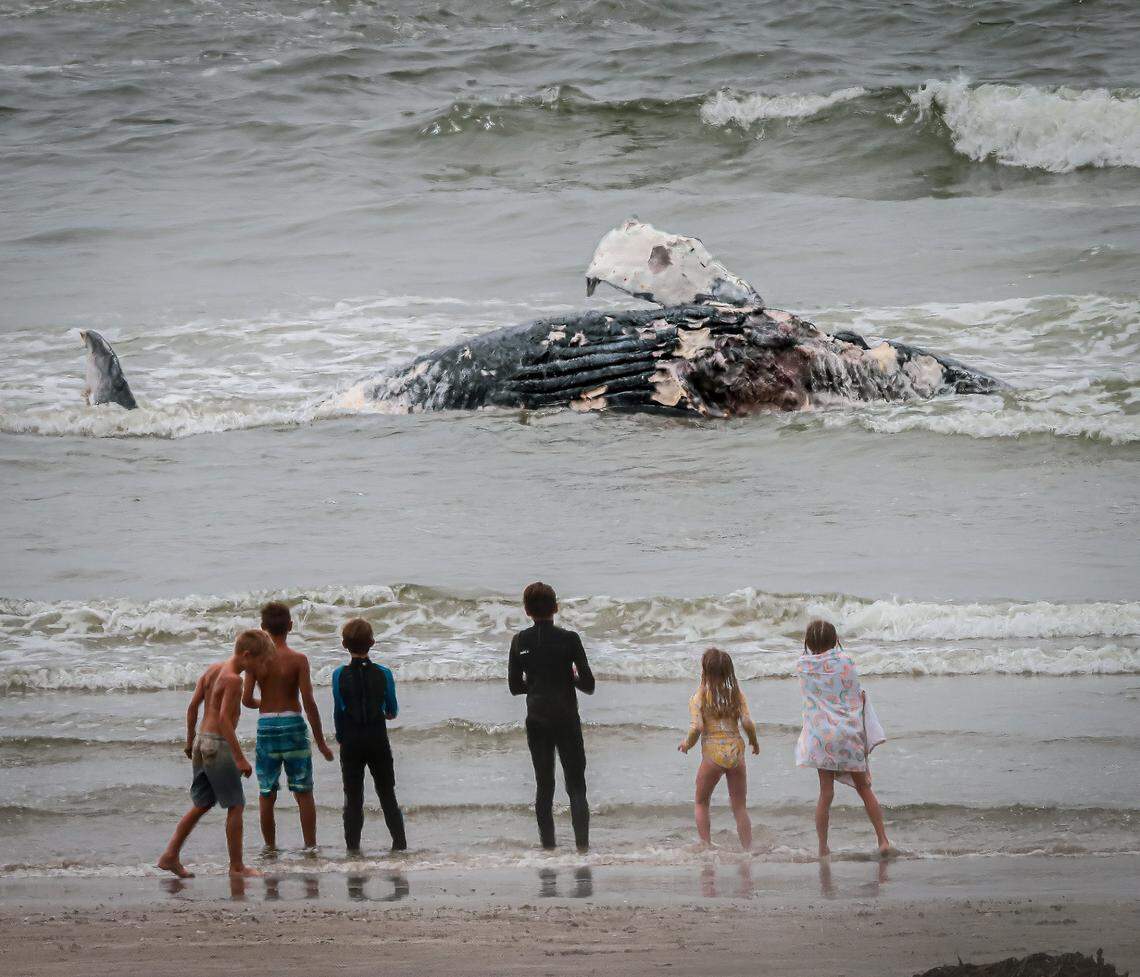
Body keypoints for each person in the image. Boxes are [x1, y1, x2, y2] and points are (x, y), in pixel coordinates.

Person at [157, 629, 273, 878]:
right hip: (218, 746)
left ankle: (170, 855)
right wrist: (240, 757)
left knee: (202, 803)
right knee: (236, 805)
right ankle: (237, 867)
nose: (261, 667)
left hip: (201, 741)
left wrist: (190, 742)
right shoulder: (234, 679)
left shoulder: (213, 669)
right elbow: (223, 720)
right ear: (246, 655)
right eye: (260, 661)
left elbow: (192, 708)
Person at [507, 581, 595, 852]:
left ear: (526, 611)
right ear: (556, 607)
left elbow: (514, 687)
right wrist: (572, 680)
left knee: (544, 785)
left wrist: (533, 686)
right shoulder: (570, 639)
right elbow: (589, 685)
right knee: (576, 786)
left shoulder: (519, 641)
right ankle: (582, 849)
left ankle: (548, 849)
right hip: (566, 717)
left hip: (537, 719)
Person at [795, 619, 891, 859]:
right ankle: (883, 840)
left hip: (821, 738)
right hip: (848, 734)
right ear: (835, 640)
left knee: (826, 794)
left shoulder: (802, 666)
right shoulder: (847, 662)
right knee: (864, 787)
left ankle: (823, 848)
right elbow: (853, 693)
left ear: (808, 642)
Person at [242, 601, 334, 851]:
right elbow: (309, 702)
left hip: (267, 727)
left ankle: (270, 847)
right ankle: (310, 846)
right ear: (291, 626)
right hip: (294, 723)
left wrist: (266, 702)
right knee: (303, 791)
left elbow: (247, 699)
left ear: (262, 628)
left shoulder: (257, 661)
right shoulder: (299, 660)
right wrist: (322, 742)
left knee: (266, 792)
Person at [332, 617, 407, 853]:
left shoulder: (338, 675)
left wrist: (341, 737)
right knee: (387, 793)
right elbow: (392, 710)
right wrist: (383, 712)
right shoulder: (383, 674)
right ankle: (399, 844)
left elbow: (339, 709)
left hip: (351, 741)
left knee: (353, 798)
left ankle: (353, 848)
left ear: (344, 644)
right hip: (377, 740)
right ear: (372, 642)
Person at [678, 648, 759, 850]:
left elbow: (697, 727)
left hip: (713, 756)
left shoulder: (699, 697)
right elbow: (748, 722)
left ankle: (706, 846)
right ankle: (747, 849)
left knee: (701, 802)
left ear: (704, 670)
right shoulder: (737, 694)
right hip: (736, 753)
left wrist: (687, 744)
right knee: (739, 806)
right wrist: (754, 742)